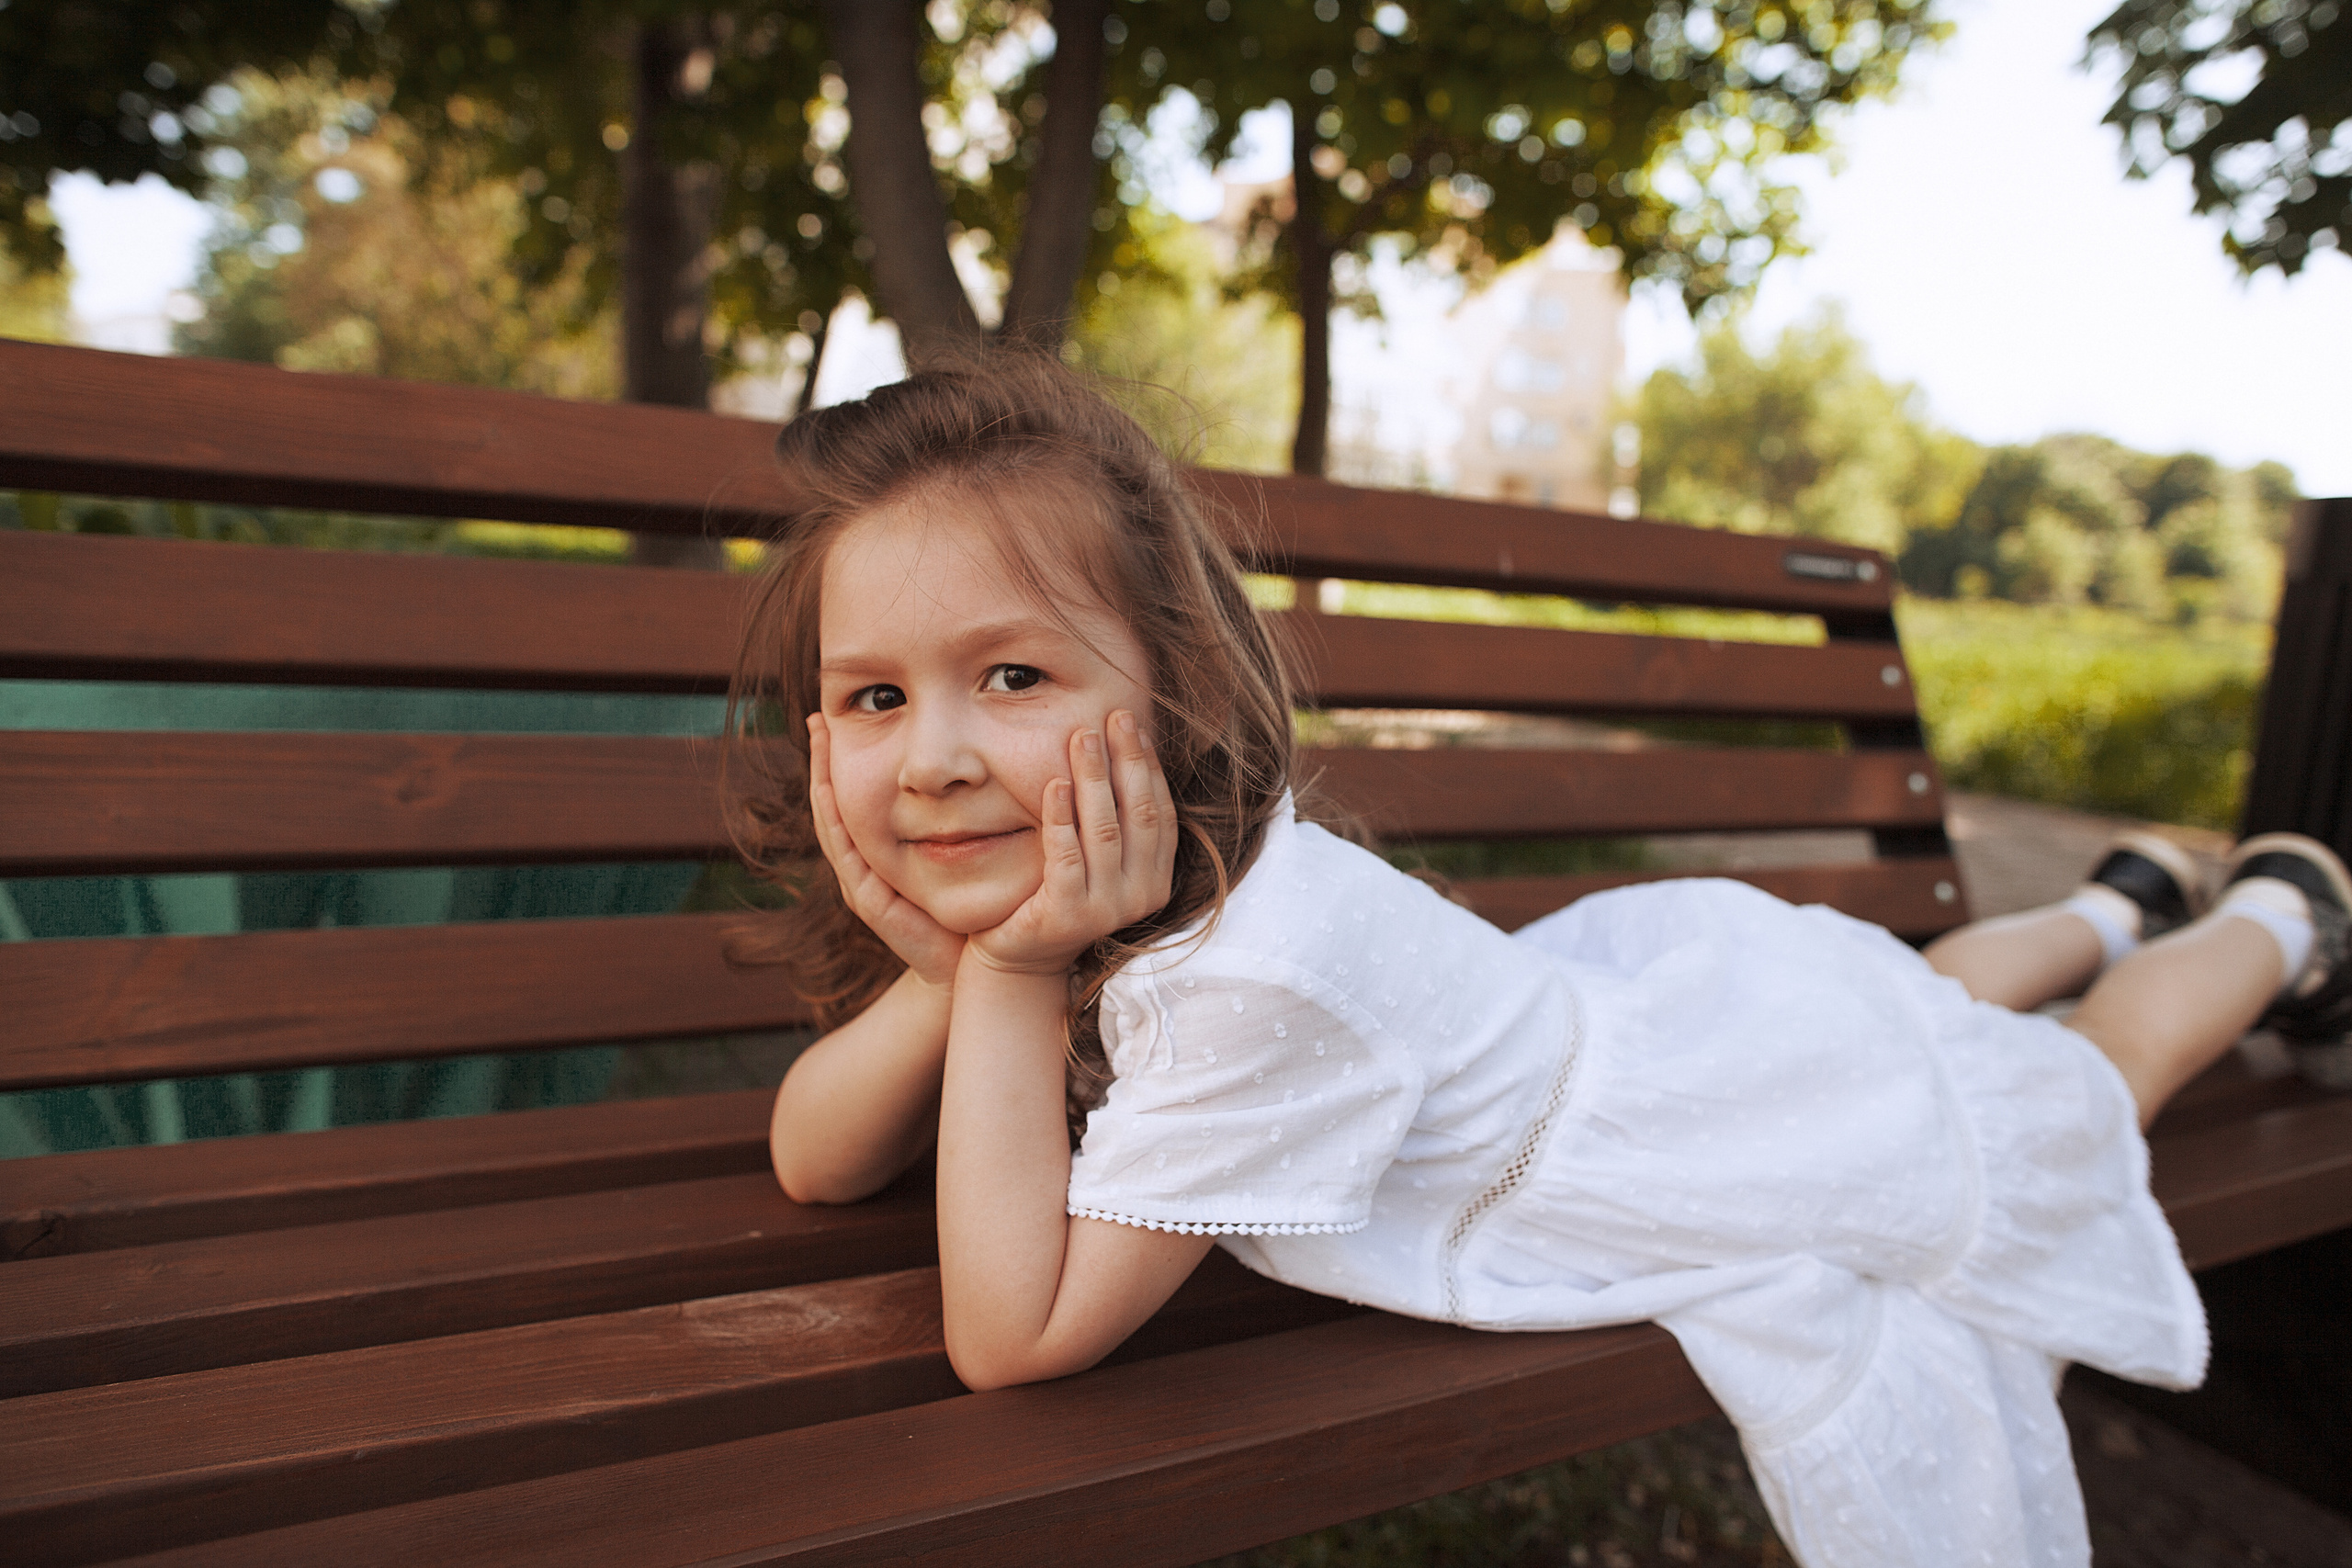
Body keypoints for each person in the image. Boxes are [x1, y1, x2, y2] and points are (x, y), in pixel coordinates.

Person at [727, 356, 2351, 1568]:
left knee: (2079, 1083)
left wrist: (998, 983)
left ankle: (2272, 917)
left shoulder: (1257, 976)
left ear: (1183, 694)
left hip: (1705, 1116)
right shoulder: (1036, 904)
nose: (931, 756)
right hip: (1664, 1019)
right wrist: (950, 972)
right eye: (874, 699)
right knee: (1934, 1006)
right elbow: (815, 1158)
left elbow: (1013, 1336)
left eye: (1007, 675)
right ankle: (2118, 895)